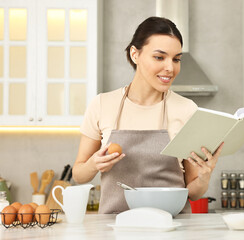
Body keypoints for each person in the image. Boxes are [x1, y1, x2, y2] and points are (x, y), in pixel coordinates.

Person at [72, 16, 224, 214]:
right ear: (135, 54)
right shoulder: (102, 104)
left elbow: (193, 193)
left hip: (172, 228)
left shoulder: (186, 110)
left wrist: (204, 177)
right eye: (160, 57)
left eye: (176, 59)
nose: (170, 68)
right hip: (116, 228)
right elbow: (79, 174)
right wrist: (94, 164)